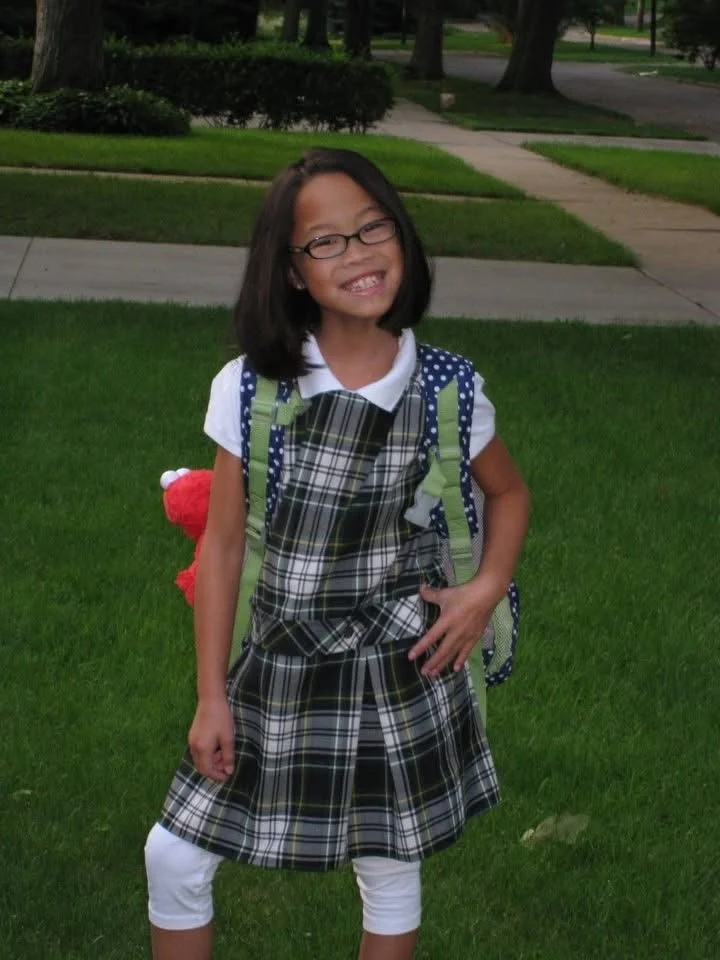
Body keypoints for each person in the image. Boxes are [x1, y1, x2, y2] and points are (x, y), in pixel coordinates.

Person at [144, 147, 531, 960]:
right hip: (281, 656)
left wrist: (485, 587)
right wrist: (210, 696)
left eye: (372, 228)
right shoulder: (250, 388)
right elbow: (220, 551)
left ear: (403, 236)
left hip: (403, 661)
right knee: (175, 850)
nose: (357, 254)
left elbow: (509, 493)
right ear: (289, 271)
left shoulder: (449, 390)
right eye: (325, 242)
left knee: (390, 861)